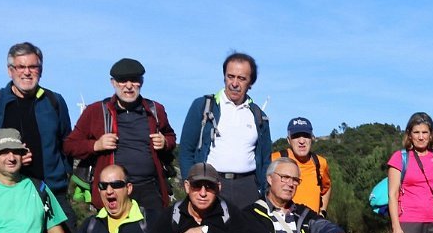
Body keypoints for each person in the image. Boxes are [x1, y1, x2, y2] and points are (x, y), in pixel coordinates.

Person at [0, 42, 74, 215]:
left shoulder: (55, 101)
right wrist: (2, 158)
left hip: (51, 194)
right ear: (10, 71)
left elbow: (67, 145)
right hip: (3, 194)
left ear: (41, 70)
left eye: (33, 66)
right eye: (21, 67)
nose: (27, 72)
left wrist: (64, 176)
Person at [63, 57, 176, 212]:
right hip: (113, 192)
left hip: (150, 189)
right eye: (123, 81)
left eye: (134, 80)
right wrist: (96, 145)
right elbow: (69, 145)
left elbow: (171, 137)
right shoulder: (95, 111)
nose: (129, 86)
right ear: (113, 83)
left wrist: (165, 142)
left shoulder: (156, 110)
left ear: (141, 82)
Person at [180, 51, 271, 211]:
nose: (234, 83)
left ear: (251, 83)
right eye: (230, 76)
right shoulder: (202, 106)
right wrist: (192, 186)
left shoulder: (259, 116)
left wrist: (264, 191)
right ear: (224, 77)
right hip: (209, 185)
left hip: (248, 189)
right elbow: (186, 150)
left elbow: (265, 159)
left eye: (241, 78)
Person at [270, 117, 332, 213]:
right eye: (296, 136)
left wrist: (322, 212)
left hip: (311, 225)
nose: (301, 141)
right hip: (281, 224)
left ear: (312, 138)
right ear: (288, 140)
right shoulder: (275, 159)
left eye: (306, 136)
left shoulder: (320, 163)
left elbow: (326, 189)